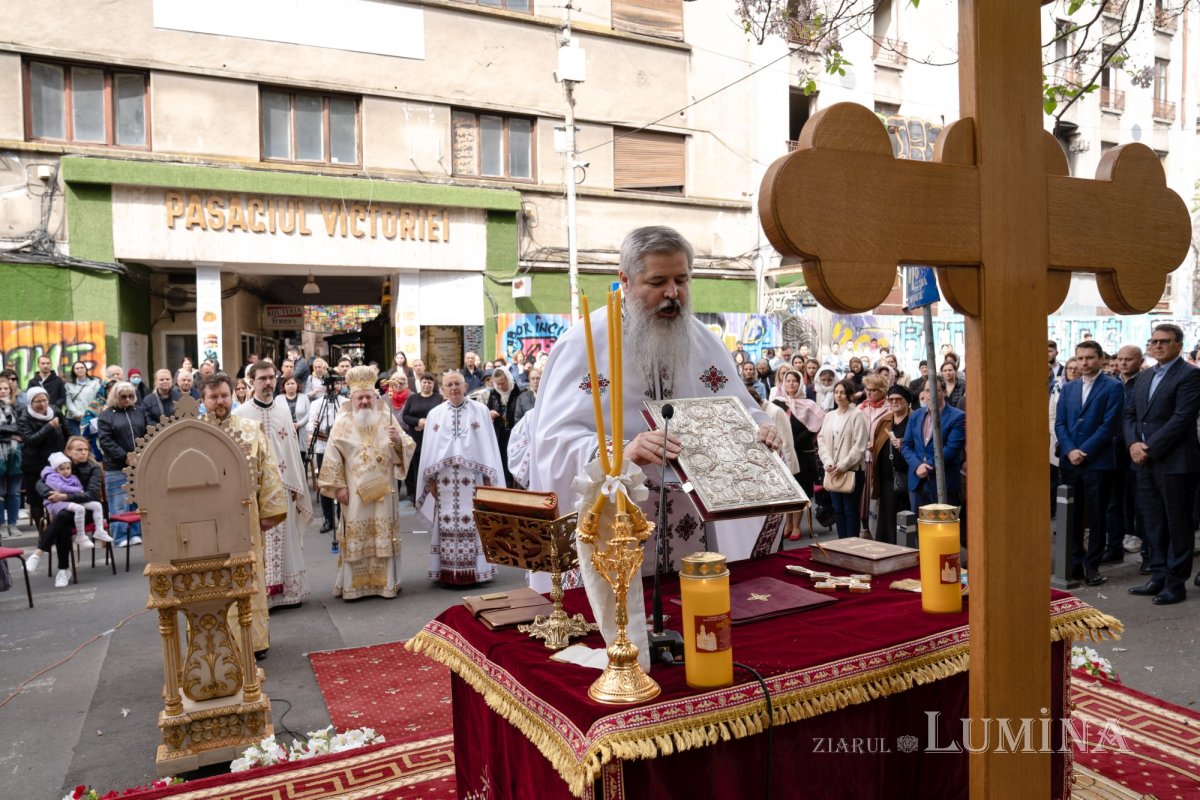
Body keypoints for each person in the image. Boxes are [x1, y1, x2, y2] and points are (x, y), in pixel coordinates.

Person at [528, 225, 784, 578]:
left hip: (693, 523)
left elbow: (739, 407)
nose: (672, 293)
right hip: (616, 523)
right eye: (657, 281)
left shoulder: (704, 343)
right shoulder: (583, 344)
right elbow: (552, 439)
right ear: (625, 279)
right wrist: (623, 452)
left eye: (682, 279)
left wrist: (762, 428)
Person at [199, 373, 288, 656]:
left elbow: (269, 471)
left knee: (247, 577)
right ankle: (214, 641)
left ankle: (253, 641)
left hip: (245, 519)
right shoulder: (193, 433)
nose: (220, 402)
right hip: (204, 523)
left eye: (224, 395)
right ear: (204, 401)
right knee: (211, 580)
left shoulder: (251, 429)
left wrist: (269, 511)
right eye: (213, 397)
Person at [318, 366, 414, 600]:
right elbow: (332, 456)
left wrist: (398, 443)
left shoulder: (387, 419)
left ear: (375, 397)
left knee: (383, 534)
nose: (363, 402)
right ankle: (355, 586)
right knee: (357, 535)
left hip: (384, 490)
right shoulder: (342, 422)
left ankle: (386, 584)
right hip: (355, 491)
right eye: (359, 397)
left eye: (367, 397)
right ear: (351, 399)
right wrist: (339, 486)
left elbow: (408, 445)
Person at [1124, 324, 1200, 605]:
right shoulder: (1145, 377)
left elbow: (1182, 419)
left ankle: (1175, 583)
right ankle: (1157, 575)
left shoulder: (1190, 375)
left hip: (1175, 463)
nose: (1157, 346)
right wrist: (1133, 443)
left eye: (1164, 342)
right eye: (1153, 341)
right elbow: (1130, 414)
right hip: (1143, 462)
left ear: (1179, 345)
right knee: (1153, 523)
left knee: (1178, 524)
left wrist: (1149, 448)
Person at [234, 361, 312, 608]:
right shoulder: (240, 414)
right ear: (252, 381)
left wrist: (296, 484)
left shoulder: (282, 411)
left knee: (286, 538)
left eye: (271, 378)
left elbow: (290, 450)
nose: (268, 383)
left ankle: (289, 593)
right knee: (258, 541)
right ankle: (262, 596)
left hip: (284, 485)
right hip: (255, 490)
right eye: (262, 379)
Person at [417, 371, 504, 586]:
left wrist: (488, 482)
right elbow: (429, 452)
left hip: (472, 479)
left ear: (465, 386)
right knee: (445, 523)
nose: (454, 388)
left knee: (474, 522)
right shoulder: (435, 414)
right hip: (445, 481)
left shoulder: (481, 411)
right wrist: (430, 481)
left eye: (457, 384)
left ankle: (476, 571)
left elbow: (488, 448)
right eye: (449, 385)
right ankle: (447, 571)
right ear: (443, 390)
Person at [1055, 340, 1124, 586]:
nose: (1084, 362)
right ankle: (1074, 561)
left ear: (1101, 359)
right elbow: (1060, 423)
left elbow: (1110, 426)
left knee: (1096, 516)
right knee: (1071, 515)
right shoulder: (1069, 388)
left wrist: (1084, 450)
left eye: (1089, 358)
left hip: (1098, 462)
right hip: (1070, 462)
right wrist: (1071, 449)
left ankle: (1092, 566)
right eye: (1080, 358)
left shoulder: (1113, 387)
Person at [26, 437, 101, 586]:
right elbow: (40, 483)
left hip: (87, 510)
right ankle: (63, 570)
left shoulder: (93, 468)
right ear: (68, 451)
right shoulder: (60, 463)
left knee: (62, 517)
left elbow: (92, 494)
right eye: (79, 450)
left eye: (86, 449)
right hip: (65, 510)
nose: (83, 453)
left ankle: (39, 554)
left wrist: (65, 496)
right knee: (64, 523)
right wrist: (50, 494)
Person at [770, 369, 823, 540]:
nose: (791, 384)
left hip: (802, 453)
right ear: (783, 383)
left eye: (794, 381)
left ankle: (796, 526)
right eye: (788, 381)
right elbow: (771, 423)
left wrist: (795, 440)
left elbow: (815, 426)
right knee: (786, 491)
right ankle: (787, 523)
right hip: (782, 453)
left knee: (800, 490)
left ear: (800, 383)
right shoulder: (777, 403)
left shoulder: (808, 404)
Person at [901, 377, 967, 511]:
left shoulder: (958, 416)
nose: (930, 395)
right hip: (917, 482)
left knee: (943, 529)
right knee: (918, 527)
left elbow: (952, 449)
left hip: (943, 482)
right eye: (927, 390)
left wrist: (928, 465)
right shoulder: (915, 416)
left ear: (944, 392)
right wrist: (917, 465)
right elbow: (906, 445)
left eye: (935, 390)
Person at [97, 381, 147, 547]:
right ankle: (120, 536)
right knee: (119, 503)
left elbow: (147, 432)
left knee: (138, 501)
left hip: (139, 464)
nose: (127, 399)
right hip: (116, 466)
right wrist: (125, 457)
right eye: (123, 396)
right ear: (115, 397)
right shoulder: (106, 416)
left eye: (130, 396)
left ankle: (136, 533)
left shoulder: (140, 412)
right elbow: (105, 441)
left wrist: (142, 453)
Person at [817, 379, 869, 539]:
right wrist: (828, 462)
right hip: (832, 470)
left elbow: (860, 445)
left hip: (852, 470)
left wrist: (843, 465)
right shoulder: (829, 416)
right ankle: (841, 544)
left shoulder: (857, 415)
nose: (839, 396)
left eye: (842, 392)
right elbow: (821, 439)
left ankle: (851, 545)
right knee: (837, 509)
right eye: (836, 392)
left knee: (850, 510)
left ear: (850, 395)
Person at [18, 386, 66, 531]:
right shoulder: (24, 418)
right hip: (34, 464)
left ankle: (57, 528)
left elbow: (67, 430)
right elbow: (30, 440)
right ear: (30, 402)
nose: (43, 404)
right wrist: (49, 427)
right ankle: (43, 532)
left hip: (56, 461)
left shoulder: (55, 411)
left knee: (58, 495)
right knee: (36, 499)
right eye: (38, 401)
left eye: (44, 400)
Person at [42, 451, 111, 547]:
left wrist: (74, 493)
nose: (65, 471)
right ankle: (81, 536)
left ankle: (99, 531)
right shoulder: (53, 477)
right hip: (61, 504)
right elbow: (61, 487)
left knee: (97, 505)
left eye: (68, 468)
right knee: (64, 519)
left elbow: (87, 491)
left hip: (75, 502)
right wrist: (77, 491)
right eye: (62, 469)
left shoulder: (77, 475)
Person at [873, 385, 912, 543]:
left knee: (904, 515)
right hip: (886, 478)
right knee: (886, 515)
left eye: (899, 399)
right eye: (891, 399)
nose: (895, 402)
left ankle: (904, 547)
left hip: (905, 476)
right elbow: (878, 440)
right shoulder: (885, 420)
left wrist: (903, 444)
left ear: (907, 401)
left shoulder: (913, 419)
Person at [307, 386, 344, 533]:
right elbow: (310, 425)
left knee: (342, 481)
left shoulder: (345, 402)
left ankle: (342, 516)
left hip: (341, 447)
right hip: (323, 446)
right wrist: (314, 425)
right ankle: (328, 518)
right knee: (325, 484)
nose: (333, 388)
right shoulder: (317, 403)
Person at [858, 373, 891, 536]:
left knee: (875, 495)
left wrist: (876, 445)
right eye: (867, 389)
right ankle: (865, 528)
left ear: (882, 391)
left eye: (873, 390)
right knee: (863, 496)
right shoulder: (861, 408)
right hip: (862, 458)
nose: (869, 393)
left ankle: (877, 528)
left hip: (880, 458)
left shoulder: (889, 408)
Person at [401, 373, 441, 504]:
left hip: (434, 438)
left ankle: (434, 495)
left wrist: (427, 423)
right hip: (416, 438)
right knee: (418, 468)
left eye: (430, 382)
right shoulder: (413, 398)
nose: (427, 384)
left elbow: (442, 416)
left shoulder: (439, 398)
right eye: (424, 382)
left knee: (433, 467)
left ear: (433, 385)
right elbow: (405, 416)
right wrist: (418, 422)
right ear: (420, 383)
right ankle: (418, 496)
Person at [0, 378, 22, 536]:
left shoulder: (18, 407)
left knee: (14, 492)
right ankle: (1, 525)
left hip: (16, 454)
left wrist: (4, 431)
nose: (2, 391)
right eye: (0, 389)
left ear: (10, 390)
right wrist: (11, 436)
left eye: (5, 388)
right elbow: (14, 431)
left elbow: (21, 427)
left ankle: (13, 524)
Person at [63, 361, 102, 437]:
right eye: (77, 368)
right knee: (77, 439)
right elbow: (68, 401)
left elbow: (98, 400)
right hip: (73, 419)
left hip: (90, 417)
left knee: (89, 440)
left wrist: (88, 414)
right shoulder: (68, 385)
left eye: (82, 367)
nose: (80, 369)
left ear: (86, 369)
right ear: (73, 371)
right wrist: (77, 414)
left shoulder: (94, 383)